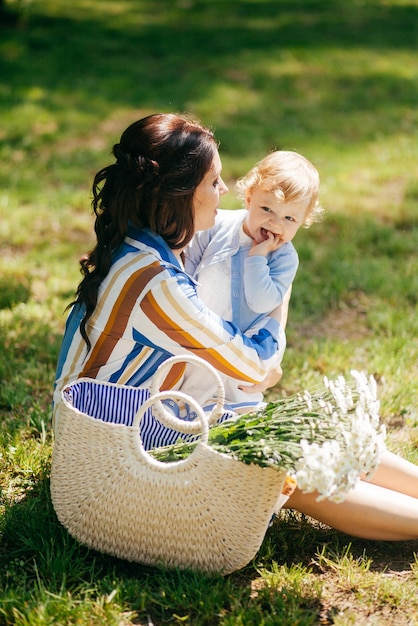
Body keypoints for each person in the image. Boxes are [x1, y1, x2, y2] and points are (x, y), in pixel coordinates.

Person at [54, 112, 418, 541]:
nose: (224, 192)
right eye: (213, 182)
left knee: (319, 431)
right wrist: (272, 344)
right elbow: (251, 367)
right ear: (180, 193)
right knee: (282, 460)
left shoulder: (141, 236)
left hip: (126, 420)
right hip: (114, 455)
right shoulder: (156, 283)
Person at [182, 150, 323, 406]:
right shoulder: (218, 225)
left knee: (232, 403)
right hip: (198, 331)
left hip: (241, 347)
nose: (274, 222)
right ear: (249, 199)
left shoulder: (283, 258)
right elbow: (188, 266)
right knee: (189, 393)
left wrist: (257, 258)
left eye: (289, 218)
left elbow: (261, 303)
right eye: (266, 208)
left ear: (303, 221)